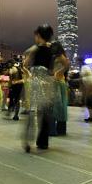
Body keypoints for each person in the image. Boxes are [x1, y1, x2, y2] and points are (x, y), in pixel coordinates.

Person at [22, 24, 57, 152]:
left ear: (39, 36)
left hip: (35, 81)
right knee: (44, 112)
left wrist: (29, 72)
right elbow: (52, 70)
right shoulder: (52, 50)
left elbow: (25, 64)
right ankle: (43, 142)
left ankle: (27, 140)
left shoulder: (35, 49)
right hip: (47, 82)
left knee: (32, 111)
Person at [50, 41, 70, 136]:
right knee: (57, 106)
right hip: (56, 82)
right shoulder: (56, 56)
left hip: (59, 83)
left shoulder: (61, 56)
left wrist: (59, 72)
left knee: (59, 106)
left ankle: (60, 129)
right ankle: (60, 129)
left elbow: (67, 65)